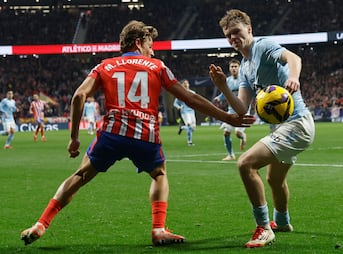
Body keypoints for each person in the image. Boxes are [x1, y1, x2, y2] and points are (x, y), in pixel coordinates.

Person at [20, 20, 255, 246]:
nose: (152, 52)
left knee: (80, 176)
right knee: (159, 174)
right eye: (150, 46)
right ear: (139, 42)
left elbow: (78, 96)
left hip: (112, 134)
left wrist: (74, 138)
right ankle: (158, 229)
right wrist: (227, 117)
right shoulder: (158, 67)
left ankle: (41, 224)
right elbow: (190, 98)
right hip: (145, 136)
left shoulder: (104, 66)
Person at [209, 9, 315, 248]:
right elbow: (242, 107)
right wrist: (224, 87)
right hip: (281, 128)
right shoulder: (246, 67)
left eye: (236, 32)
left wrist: (294, 77)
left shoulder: (263, 46)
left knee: (245, 163)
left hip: (296, 123)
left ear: (249, 29)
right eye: (228, 35)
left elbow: (293, 58)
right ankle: (282, 221)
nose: (233, 38)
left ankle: (263, 228)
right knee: (274, 180)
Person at [213, 59, 248, 161]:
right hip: (231, 110)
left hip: (243, 110)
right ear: (229, 68)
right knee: (226, 133)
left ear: (239, 68)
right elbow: (225, 93)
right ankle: (231, 155)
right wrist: (219, 98)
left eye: (235, 66)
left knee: (237, 133)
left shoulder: (244, 79)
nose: (233, 69)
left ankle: (243, 136)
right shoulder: (227, 80)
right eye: (232, 67)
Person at [173, 79, 196, 146]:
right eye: (184, 83)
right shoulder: (181, 94)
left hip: (192, 111)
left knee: (193, 128)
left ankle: (182, 127)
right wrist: (178, 107)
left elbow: (196, 101)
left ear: (189, 84)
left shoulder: (192, 93)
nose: (186, 84)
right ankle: (189, 142)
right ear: (182, 85)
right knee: (189, 125)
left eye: (187, 83)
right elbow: (175, 103)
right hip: (184, 112)